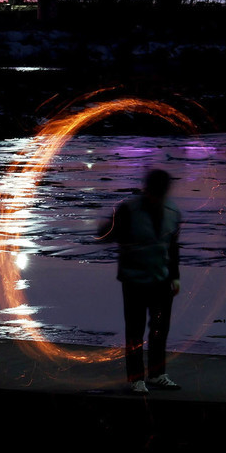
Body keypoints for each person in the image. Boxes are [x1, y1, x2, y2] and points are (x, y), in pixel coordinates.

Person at [97, 169, 182, 394]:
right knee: (135, 330)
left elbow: (173, 247)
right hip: (134, 280)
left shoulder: (172, 212)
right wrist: (109, 232)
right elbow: (108, 234)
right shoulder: (129, 210)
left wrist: (175, 276)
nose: (158, 196)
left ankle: (156, 374)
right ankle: (136, 378)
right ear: (148, 189)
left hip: (161, 279)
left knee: (159, 329)